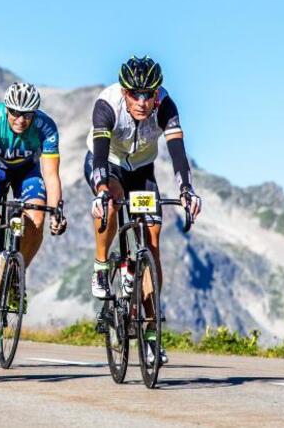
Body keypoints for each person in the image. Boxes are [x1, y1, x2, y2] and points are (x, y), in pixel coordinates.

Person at [85, 56, 202, 365]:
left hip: (141, 169)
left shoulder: (166, 107)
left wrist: (186, 190)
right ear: (124, 92)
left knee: (153, 240)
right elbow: (98, 156)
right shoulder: (106, 104)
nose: (141, 101)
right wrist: (100, 191)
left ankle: (150, 334)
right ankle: (100, 266)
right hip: (107, 164)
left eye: (147, 94)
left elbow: (178, 154)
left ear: (156, 92)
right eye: (134, 94)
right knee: (112, 196)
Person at [0, 83, 67, 337]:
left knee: (37, 217)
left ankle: (15, 275)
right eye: (15, 113)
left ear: (35, 114)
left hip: (26, 173)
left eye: (27, 115)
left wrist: (57, 209)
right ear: (6, 108)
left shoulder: (46, 127)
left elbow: (51, 176)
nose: (21, 120)